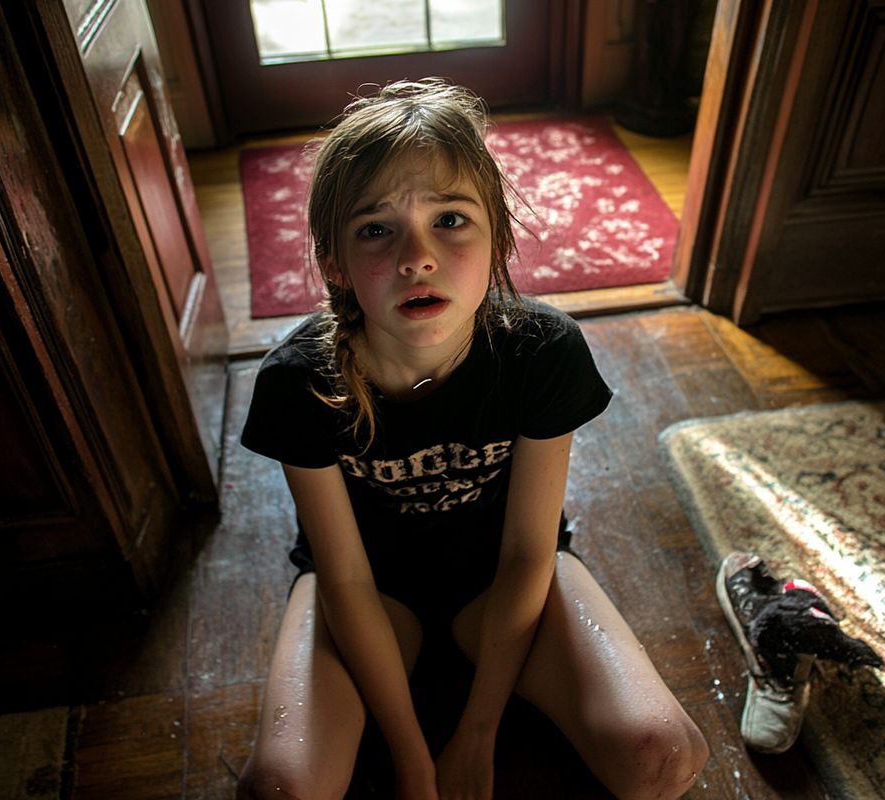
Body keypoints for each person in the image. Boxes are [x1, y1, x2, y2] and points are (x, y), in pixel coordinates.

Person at [237, 78, 708, 800]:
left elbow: (529, 553)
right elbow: (346, 578)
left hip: (505, 584)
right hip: (370, 595)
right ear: (333, 263)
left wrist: (477, 735)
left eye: (450, 220)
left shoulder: (542, 352)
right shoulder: (297, 382)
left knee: (664, 756)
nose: (417, 257)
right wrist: (414, 760)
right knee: (280, 789)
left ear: (498, 240)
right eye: (376, 229)